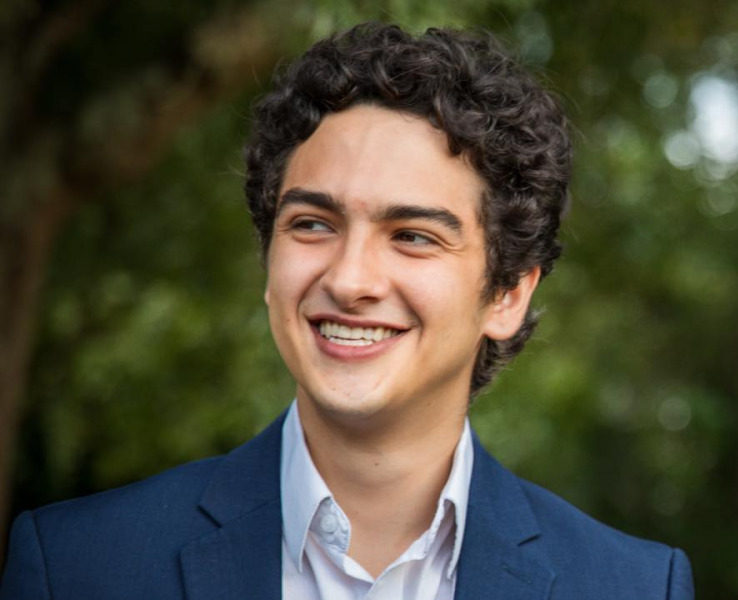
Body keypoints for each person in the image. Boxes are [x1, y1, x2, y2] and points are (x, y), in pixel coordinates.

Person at [0, 22, 695, 600]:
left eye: (413, 237)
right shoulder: (75, 566)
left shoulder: (633, 585)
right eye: (312, 224)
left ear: (508, 294)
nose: (350, 278)